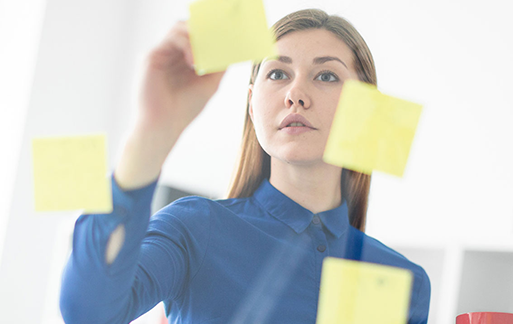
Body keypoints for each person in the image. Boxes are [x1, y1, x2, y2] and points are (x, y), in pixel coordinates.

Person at [59, 8, 431, 324]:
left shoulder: (404, 281)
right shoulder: (195, 226)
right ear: (252, 104)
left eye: (326, 76)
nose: (295, 94)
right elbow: (88, 311)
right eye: (278, 74)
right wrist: (150, 132)